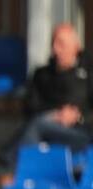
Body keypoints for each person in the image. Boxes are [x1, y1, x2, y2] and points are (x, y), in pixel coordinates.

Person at [20, 23, 93, 152]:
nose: (55, 49)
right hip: (48, 126)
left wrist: (78, 117)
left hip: (83, 132)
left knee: (32, 130)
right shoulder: (42, 75)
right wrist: (57, 115)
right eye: (53, 43)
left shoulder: (89, 72)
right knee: (34, 127)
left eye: (61, 44)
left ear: (75, 47)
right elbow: (30, 107)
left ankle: (8, 168)